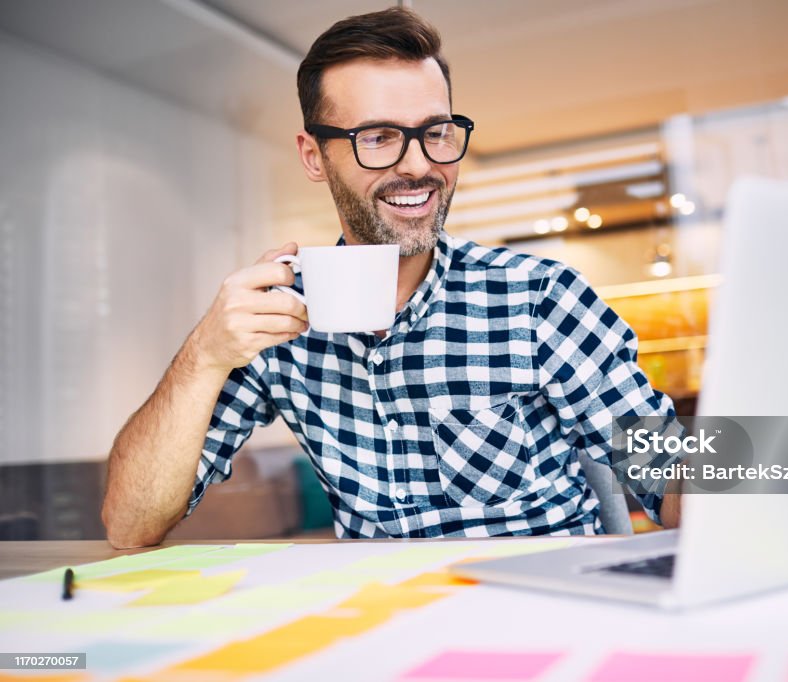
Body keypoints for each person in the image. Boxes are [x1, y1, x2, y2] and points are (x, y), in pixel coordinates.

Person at [101, 7, 680, 547]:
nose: (419, 165)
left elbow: (678, 475)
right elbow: (129, 526)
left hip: (539, 619)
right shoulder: (275, 321)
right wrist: (205, 354)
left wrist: (759, 452)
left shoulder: (537, 298)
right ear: (313, 156)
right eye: (377, 137)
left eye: (436, 131)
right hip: (379, 633)